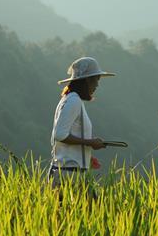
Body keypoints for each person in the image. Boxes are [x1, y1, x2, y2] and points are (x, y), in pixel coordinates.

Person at [48, 57, 115, 187]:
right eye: (96, 80)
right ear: (87, 80)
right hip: (68, 175)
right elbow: (60, 135)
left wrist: (86, 155)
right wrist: (90, 142)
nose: (97, 85)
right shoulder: (74, 101)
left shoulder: (70, 99)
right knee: (93, 207)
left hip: (70, 173)